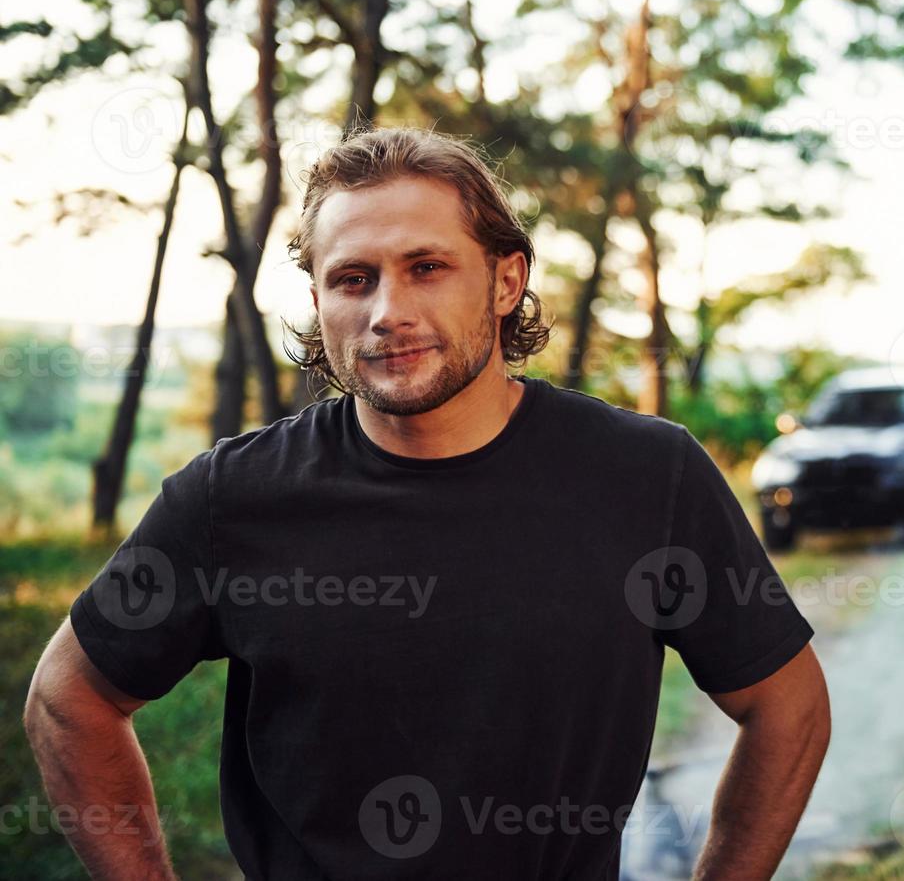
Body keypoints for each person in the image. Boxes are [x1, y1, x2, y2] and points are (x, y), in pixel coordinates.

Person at [24, 126, 831, 880]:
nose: (388, 312)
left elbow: (786, 707)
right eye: (352, 279)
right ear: (318, 300)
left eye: (427, 267)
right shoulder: (232, 496)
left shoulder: (650, 476)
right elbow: (71, 697)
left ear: (506, 279)